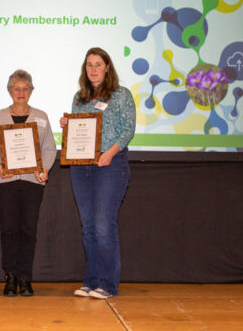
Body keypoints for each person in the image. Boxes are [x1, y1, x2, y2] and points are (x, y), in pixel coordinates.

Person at [60, 47, 135, 299]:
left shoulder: (121, 95)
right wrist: (67, 126)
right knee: (89, 227)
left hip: (110, 165)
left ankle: (108, 284)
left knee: (104, 226)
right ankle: (91, 281)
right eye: (89, 64)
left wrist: (110, 152)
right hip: (81, 168)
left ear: (107, 67)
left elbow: (128, 130)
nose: (93, 69)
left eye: (98, 64)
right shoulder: (79, 98)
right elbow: (77, 134)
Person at [0, 70, 57, 297]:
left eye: (25, 89)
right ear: (10, 91)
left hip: (33, 182)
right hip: (6, 182)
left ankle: (25, 278)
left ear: (31, 91)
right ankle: (10, 277)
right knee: (9, 230)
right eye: (17, 88)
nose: (21, 93)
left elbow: (50, 149)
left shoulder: (41, 116)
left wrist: (44, 169)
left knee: (28, 230)